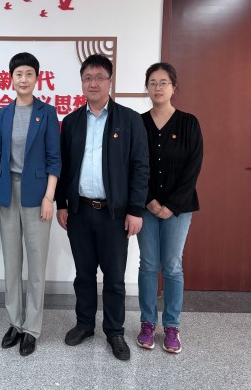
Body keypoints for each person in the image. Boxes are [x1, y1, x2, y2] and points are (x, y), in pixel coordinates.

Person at [55, 54, 149, 361]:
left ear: (110, 81)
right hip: (80, 211)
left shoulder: (129, 120)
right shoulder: (72, 122)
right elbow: (64, 166)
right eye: (87, 78)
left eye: (99, 77)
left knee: (114, 277)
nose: (92, 83)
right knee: (83, 274)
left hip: (114, 214)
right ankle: (84, 324)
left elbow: (140, 167)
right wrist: (62, 203)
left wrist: (135, 209)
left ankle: (114, 331)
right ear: (82, 82)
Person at [0, 52, 61, 357]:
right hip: (7, 193)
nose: (23, 79)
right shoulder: (3, 114)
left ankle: (32, 328)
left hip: (37, 195)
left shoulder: (47, 113)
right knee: (12, 263)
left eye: (29, 73)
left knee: (36, 264)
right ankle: (15, 323)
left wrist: (49, 197)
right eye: (18, 74)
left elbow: (54, 159)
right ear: (11, 78)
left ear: (37, 78)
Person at [136, 62, 203, 354]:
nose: (158, 87)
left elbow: (193, 168)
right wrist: (149, 200)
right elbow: (135, 166)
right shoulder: (138, 123)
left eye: (163, 82)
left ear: (174, 87)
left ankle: (172, 326)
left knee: (173, 266)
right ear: (147, 87)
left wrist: (172, 205)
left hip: (179, 208)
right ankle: (148, 323)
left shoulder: (189, 123)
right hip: (146, 206)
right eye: (152, 82)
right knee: (149, 265)